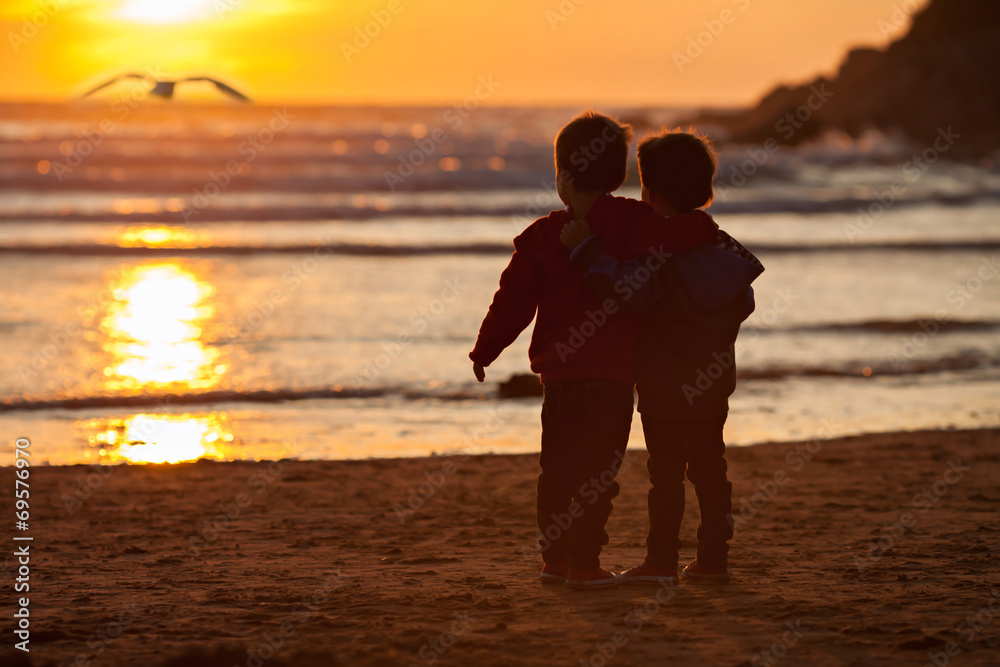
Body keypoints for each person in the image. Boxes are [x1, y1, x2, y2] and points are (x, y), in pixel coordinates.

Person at [469, 113, 719, 590]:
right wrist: (706, 228)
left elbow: (511, 300)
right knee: (598, 474)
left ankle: (555, 560)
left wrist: (485, 349)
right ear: (619, 175)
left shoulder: (542, 235)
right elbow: (681, 232)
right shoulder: (632, 221)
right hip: (611, 377)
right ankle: (584, 564)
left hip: (559, 378)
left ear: (562, 177)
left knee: (556, 470)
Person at [560, 130, 763, 585]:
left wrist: (588, 250)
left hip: (663, 385)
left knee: (666, 475)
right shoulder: (721, 247)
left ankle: (661, 561)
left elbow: (627, 292)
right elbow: (743, 302)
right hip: (713, 380)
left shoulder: (659, 253)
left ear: (650, 193)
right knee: (710, 467)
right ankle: (713, 559)